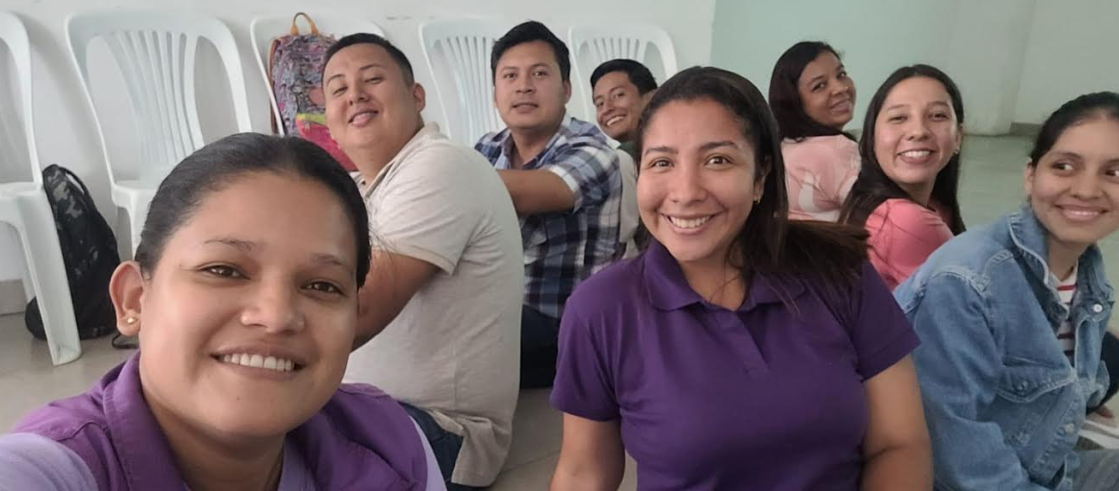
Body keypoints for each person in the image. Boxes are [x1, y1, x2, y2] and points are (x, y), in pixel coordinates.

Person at [549, 67, 931, 491]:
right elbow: (584, 473)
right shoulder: (602, 310)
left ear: (761, 176)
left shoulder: (841, 272)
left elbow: (900, 444)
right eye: (662, 162)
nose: (686, 192)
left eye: (718, 160)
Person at [0, 134, 442, 490]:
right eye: (224, 270)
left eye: (322, 285)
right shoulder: (56, 468)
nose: (276, 316)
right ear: (134, 299)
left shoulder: (392, 443)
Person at [321, 34, 522, 490]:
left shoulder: (441, 165)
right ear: (328, 121)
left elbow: (360, 311)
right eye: (338, 89)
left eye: (372, 79)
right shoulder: (357, 190)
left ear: (416, 96)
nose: (355, 94)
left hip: (439, 430)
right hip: (355, 407)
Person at [897, 91, 1119, 490]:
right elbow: (954, 461)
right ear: (1031, 175)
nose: (1086, 190)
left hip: (1040, 463)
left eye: (1113, 172)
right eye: (1064, 166)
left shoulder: (1086, 273)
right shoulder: (966, 281)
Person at [475, 20, 621, 388]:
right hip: (500, 311)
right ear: (495, 94)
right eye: (510, 75)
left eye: (539, 73)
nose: (523, 85)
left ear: (566, 89)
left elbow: (543, 189)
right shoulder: (486, 148)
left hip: (565, 328)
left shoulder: (593, 150)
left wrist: (430, 173)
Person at [839, 64, 966, 290]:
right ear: (872, 136)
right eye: (899, 118)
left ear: (958, 136)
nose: (919, 131)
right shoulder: (909, 222)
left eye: (937, 115)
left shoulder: (870, 201)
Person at [769, 41, 860, 221]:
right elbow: (891, 215)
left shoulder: (784, 148)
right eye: (820, 86)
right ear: (793, 102)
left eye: (841, 75)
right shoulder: (834, 150)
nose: (840, 88)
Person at [591, 59, 658, 257]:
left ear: (651, 97)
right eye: (599, 104)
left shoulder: (622, 158)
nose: (607, 109)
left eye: (618, 95)